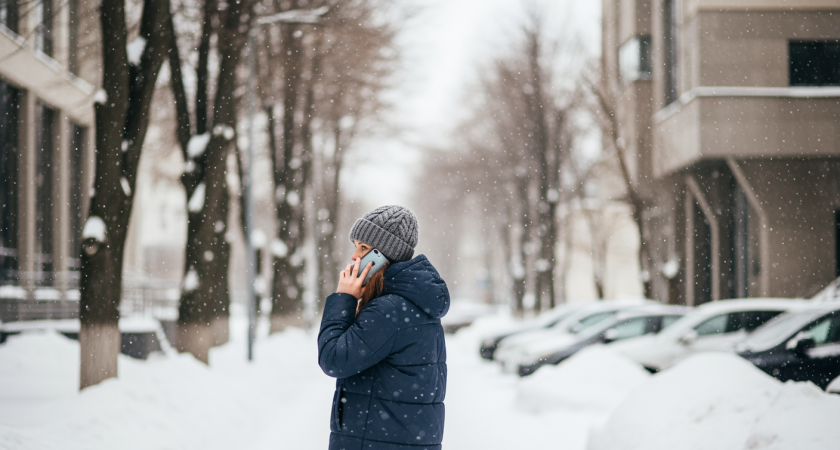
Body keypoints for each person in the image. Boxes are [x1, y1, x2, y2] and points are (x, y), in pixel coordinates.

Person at [318, 205, 450, 450]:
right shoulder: (413, 304)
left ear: (383, 255)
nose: (354, 256)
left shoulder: (390, 310)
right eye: (355, 245)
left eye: (364, 248)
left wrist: (343, 298)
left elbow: (333, 359)